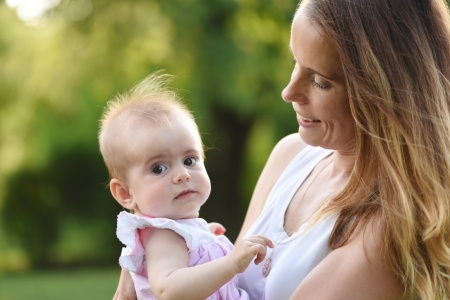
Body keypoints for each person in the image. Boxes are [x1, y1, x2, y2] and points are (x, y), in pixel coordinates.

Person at [114, 0, 450, 298]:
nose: (289, 92)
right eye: (295, 62)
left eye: (319, 80)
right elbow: (232, 285)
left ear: (384, 92)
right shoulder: (289, 156)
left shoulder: (389, 225)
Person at [99, 72, 273, 300]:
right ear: (125, 193)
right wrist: (231, 263)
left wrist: (203, 242)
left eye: (189, 160)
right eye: (158, 168)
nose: (181, 174)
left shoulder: (176, 233)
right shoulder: (163, 235)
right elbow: (169, 289)